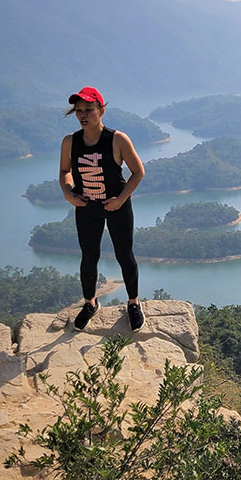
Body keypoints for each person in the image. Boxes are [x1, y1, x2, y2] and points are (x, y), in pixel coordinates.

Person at [59, 87, 146, 331]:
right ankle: (90, 303)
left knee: (124, 254)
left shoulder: (117, 139)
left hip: (117, 206)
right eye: (78, 111)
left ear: (101, 110)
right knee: (89, 257)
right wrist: (68, 194)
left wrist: (120, 200)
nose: (83, 115)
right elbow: (65, 172)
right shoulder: (70, 142)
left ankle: (133, 303)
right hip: (86, 207)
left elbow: (138, 172)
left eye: (88, 110)